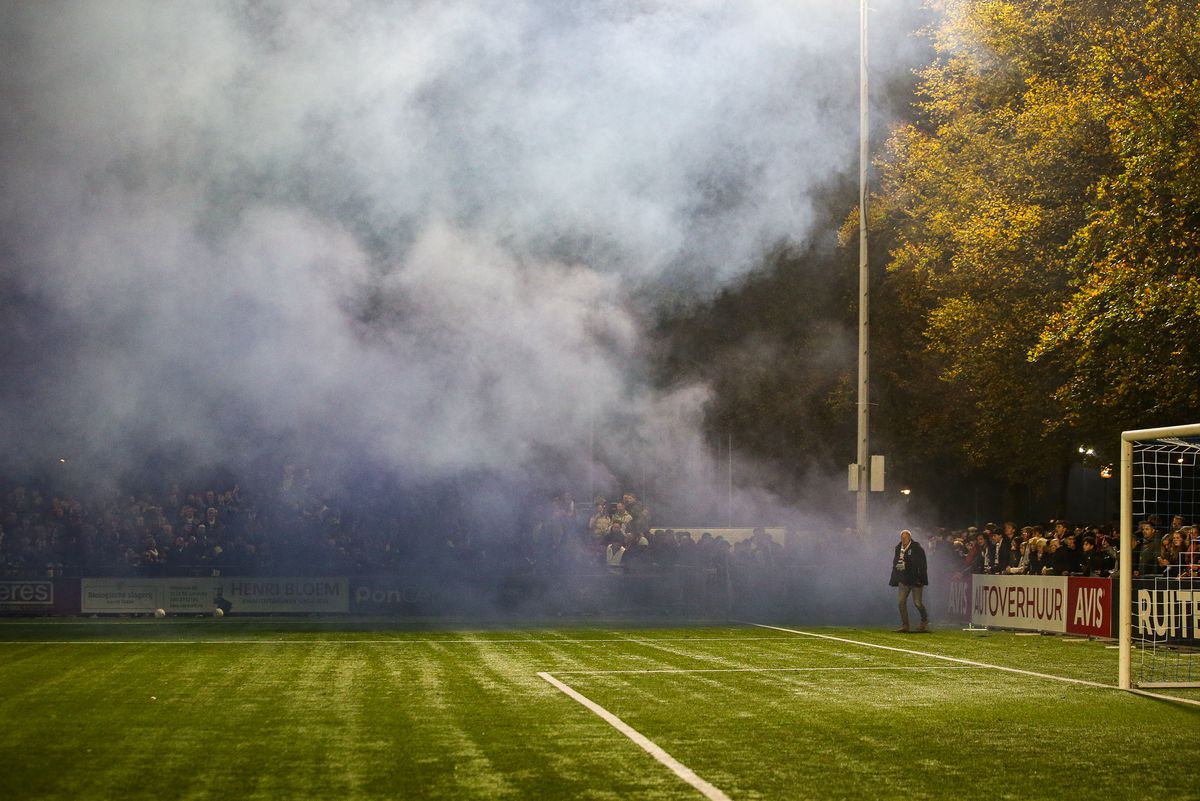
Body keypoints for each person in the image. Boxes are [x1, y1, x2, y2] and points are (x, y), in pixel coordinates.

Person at [889, 529, 929, 633]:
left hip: (916, 580)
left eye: (905, 537)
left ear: (909, 538)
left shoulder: (917, 548)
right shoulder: (898, 548)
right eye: (902, 538)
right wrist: (897, 568)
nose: (903, 539)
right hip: (903, 579)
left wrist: (922, 578)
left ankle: (924, 620)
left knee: (917, 603)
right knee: (901, 602)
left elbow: (922, 564)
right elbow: (895, 561)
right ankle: (905, 625)